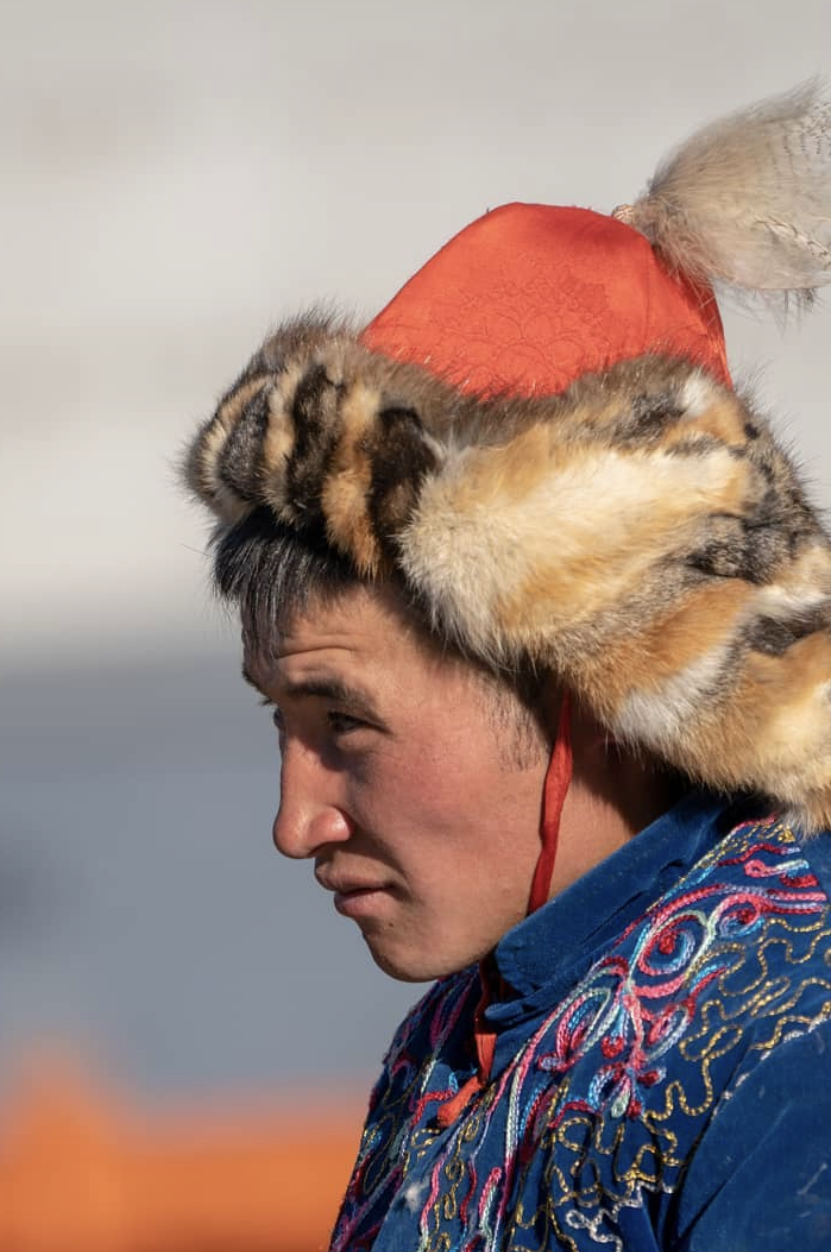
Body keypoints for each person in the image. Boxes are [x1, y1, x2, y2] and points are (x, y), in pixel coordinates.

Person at [182, 83, 831, 1250]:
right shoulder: (458, 1038)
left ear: (599, 686)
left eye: (344, 721)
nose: (296, 822)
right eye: (278, 720)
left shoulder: (793, 1047)